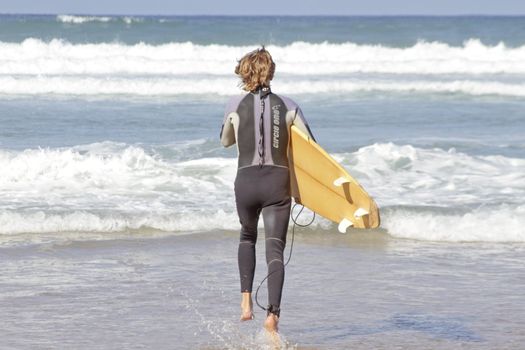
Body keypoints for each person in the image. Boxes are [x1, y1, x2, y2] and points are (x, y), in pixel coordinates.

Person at [220, 47, 314, 333]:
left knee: (247, 237)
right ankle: (272, 315)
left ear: (244, 72)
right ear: (271, 71)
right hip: (277, 184)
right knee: (275, 248)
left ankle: (246, 303)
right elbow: (311, 147)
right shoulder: (289, 105)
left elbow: (226, 141)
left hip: (246, 183)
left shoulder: (234, 105)